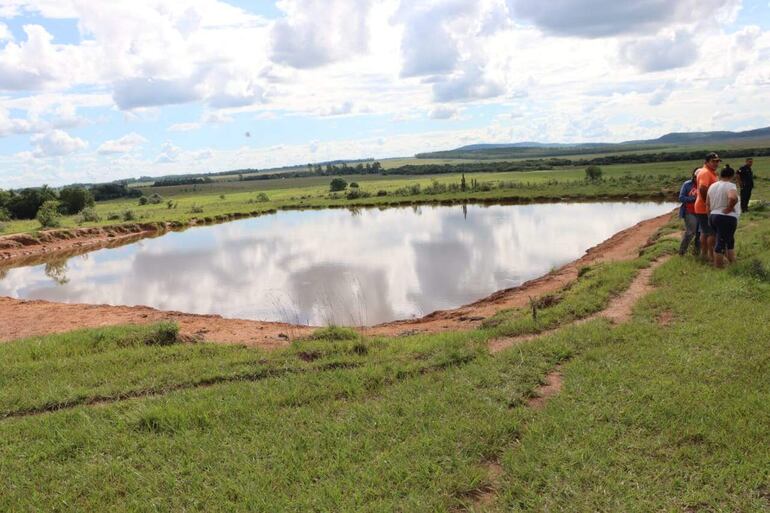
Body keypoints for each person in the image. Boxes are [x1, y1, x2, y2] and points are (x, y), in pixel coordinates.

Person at [707, 165, 741, 268]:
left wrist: (710, 217)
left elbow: (707, 204)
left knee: (729, 240)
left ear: (720, 175)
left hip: (713, 215)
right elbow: (733, 197)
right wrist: (729, 208)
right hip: (726, 217)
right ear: (732, 175)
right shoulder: (730, 185)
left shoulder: (712, 186)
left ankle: (733, 263)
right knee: (721, 243)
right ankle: (719, 268)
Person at [694, 152, 721, 261]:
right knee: (711, 233)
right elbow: (702, 188)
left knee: (705, 232)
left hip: (705, 207)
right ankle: (711, 256)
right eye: (713, 161)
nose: (716, 163)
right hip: (704, 207)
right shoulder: (705, 172)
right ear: (706, 162)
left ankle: (704, 255)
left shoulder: (711, 172)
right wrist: (708, 204)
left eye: (717, 161)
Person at [678, 168, 701, 256]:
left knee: (700, 234)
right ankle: (682, 252)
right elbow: (681, 198)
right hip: (690, 211)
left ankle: (696, 254)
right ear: (694, 176)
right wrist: (694, 199)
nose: (698, 179)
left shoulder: (704, 184)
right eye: (697, 177)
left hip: (702, 212)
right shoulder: (687, 184)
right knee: (690, 232)